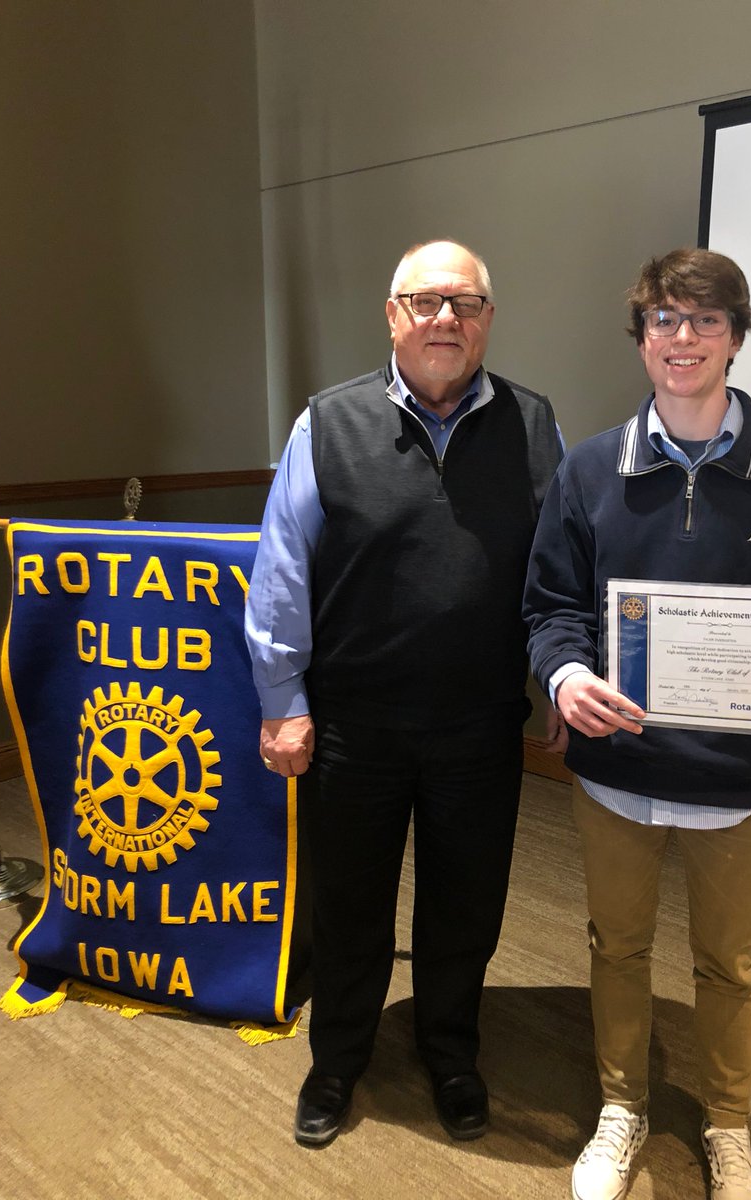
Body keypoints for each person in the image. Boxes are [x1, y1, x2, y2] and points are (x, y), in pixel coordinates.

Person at [523, 248, 751, 1200]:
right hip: (616, 769)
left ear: (736, 335)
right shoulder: (590, 468)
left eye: (706, 320)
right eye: (665, 322)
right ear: (642, 339)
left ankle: (729, 1125)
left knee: (732, 966)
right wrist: (563, 676)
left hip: (740, 783)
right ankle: (620, 1107)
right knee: (617, 947)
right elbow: (551, 606)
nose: (684, 340)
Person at [246, 239, 563, 1147]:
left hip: (479, 724)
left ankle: (451, 1051)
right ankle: (337, 1058)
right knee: (349, 905)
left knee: (467, 903)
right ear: (393, 316)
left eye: (464, 305)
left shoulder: (537, 426)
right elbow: (281, 574)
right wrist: (281, 699)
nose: (445, 320)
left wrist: (560, 685)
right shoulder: (327, 422)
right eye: (425, 302)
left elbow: (559, 576)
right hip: (355, 724)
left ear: (488, 322)